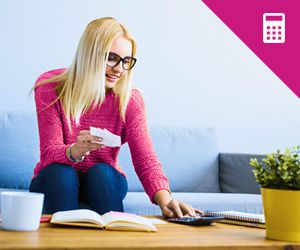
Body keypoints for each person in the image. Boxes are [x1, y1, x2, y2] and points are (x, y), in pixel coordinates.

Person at [30, 17, 202, 218]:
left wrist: (166, 200)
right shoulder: (50, 87)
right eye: (111, 58)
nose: (119, 69)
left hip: (104, 180)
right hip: (54, 179)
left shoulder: (129, 100)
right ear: (90, 56)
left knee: (101, 172)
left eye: (126, 61)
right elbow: (49, 153)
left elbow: (145, 158)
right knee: (62, 173)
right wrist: (74, 151)